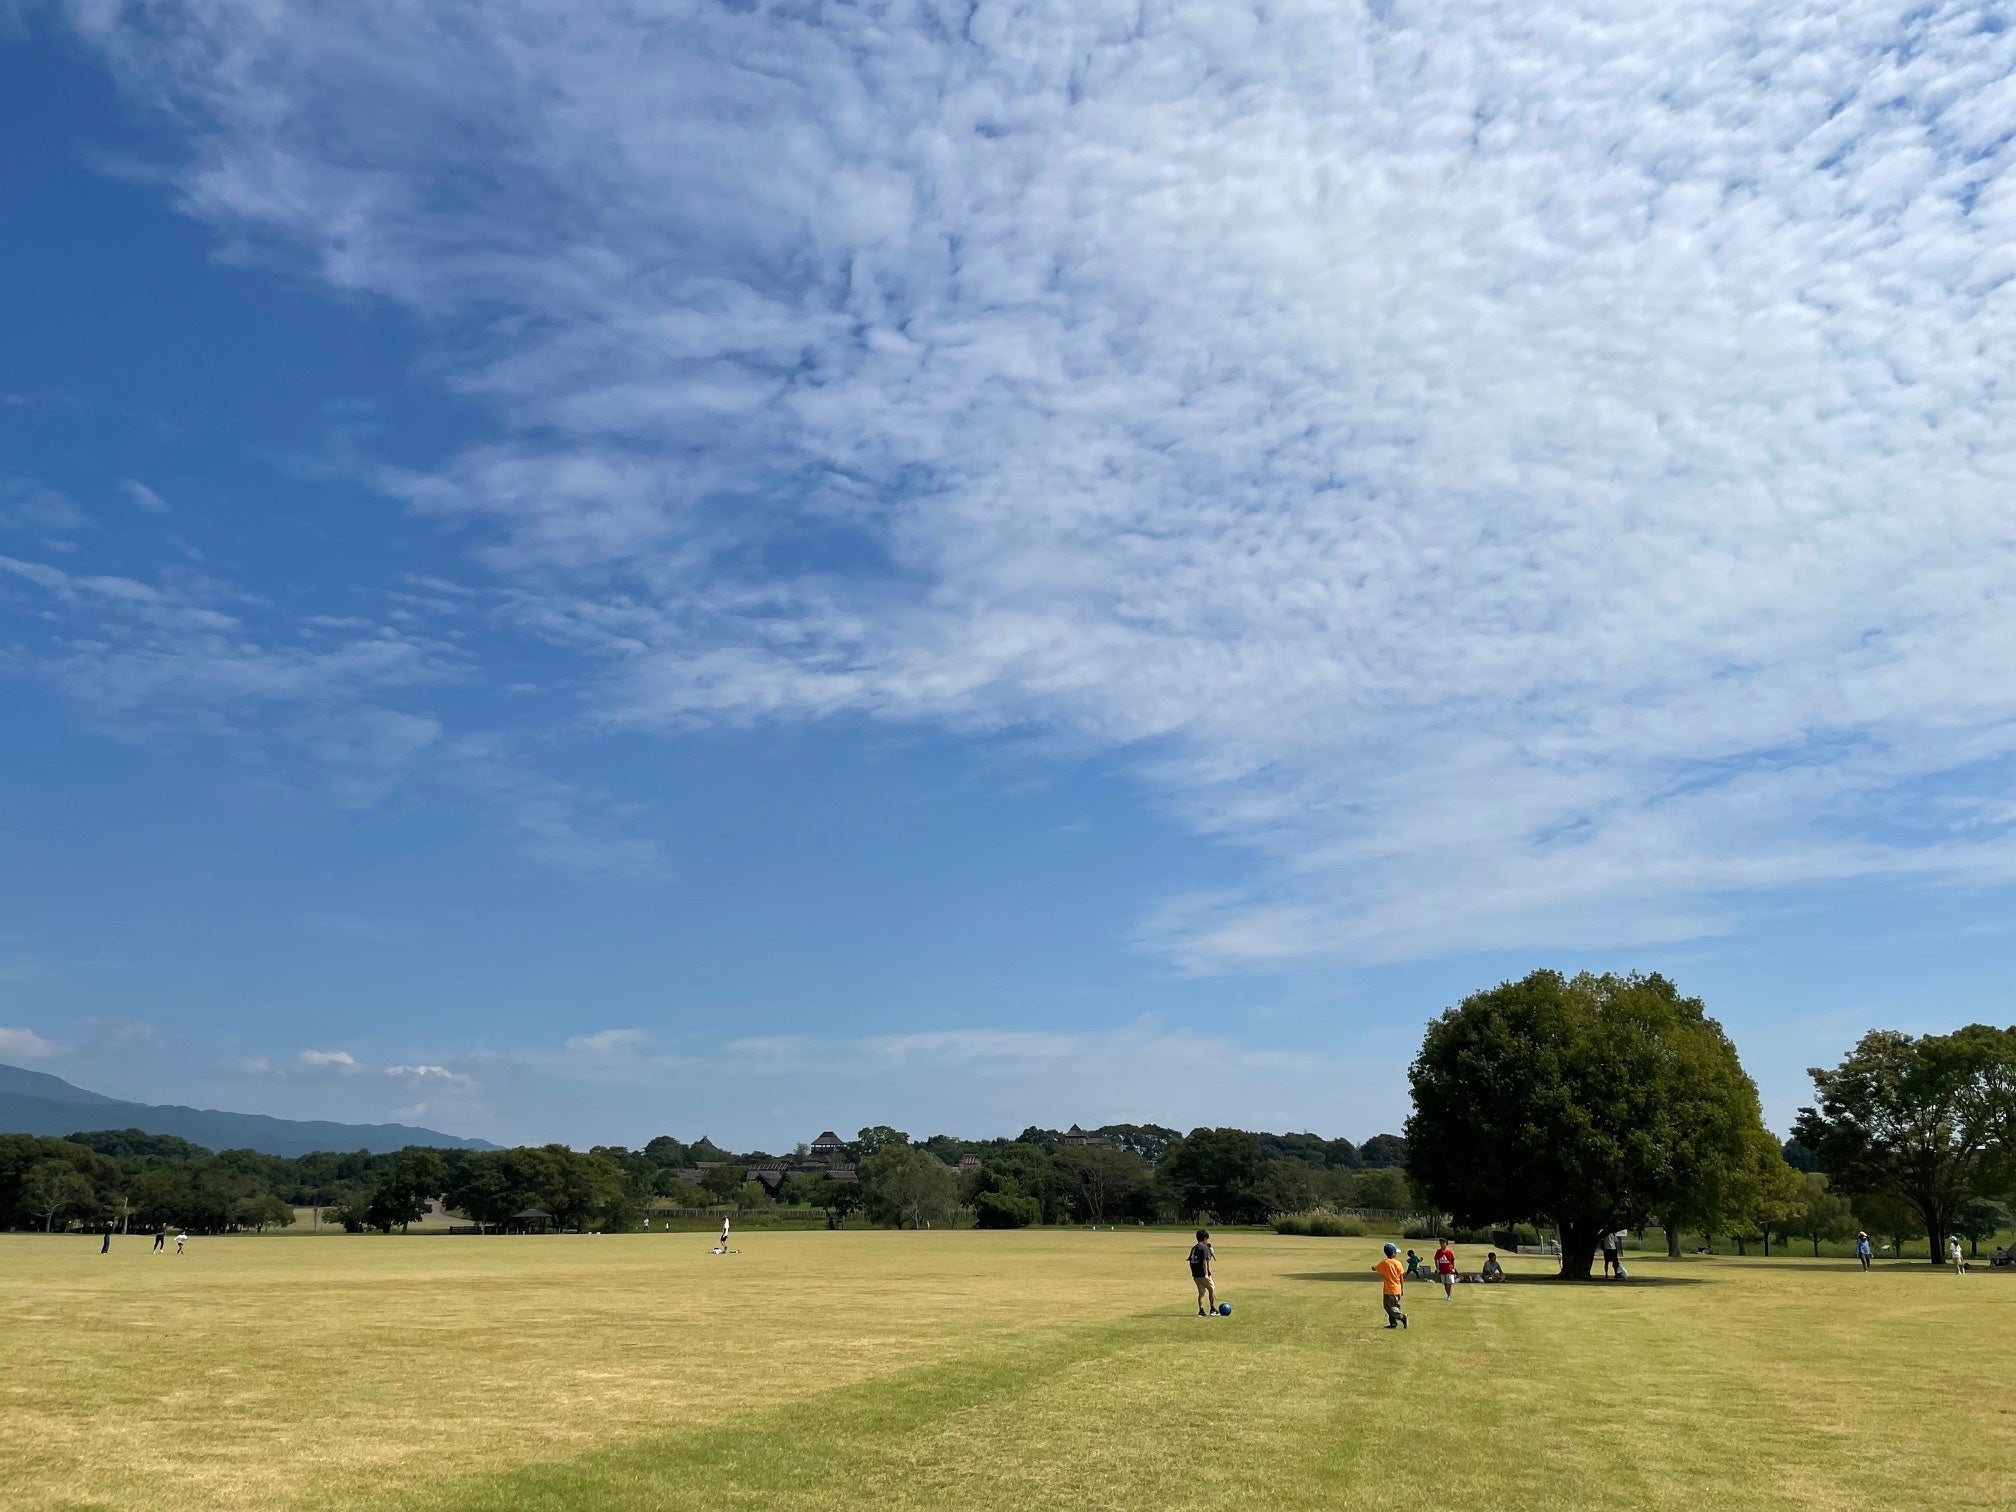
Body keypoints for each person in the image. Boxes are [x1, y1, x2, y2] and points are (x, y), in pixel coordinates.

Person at [1375, 1242, 1408, 1329]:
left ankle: (1401, 1317)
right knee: (1395, 1306)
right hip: (1397, 1289)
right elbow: (1401, 1277)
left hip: (1389, 1290)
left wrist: (1373, 1268)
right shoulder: (1398, 1263)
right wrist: (1402, 1288)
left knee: (1388, 1306)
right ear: (1393, 1253)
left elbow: (1376, 1268)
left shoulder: (1384, 1263)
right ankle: (1393, 1323)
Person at [1188, 1229, 1217, 1316]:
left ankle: (1201, 1310)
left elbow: (1190, 1261)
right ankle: (1212, 1309)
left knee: (1201, 1293)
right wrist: (1206, 1274)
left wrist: (1193, 1273)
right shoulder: (1204, 1248)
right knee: (1211, 1289)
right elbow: (1205, 1261)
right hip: (1203, 1274)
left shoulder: (1194, 1248)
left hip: (1195, 1274)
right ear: (1204, 1238)